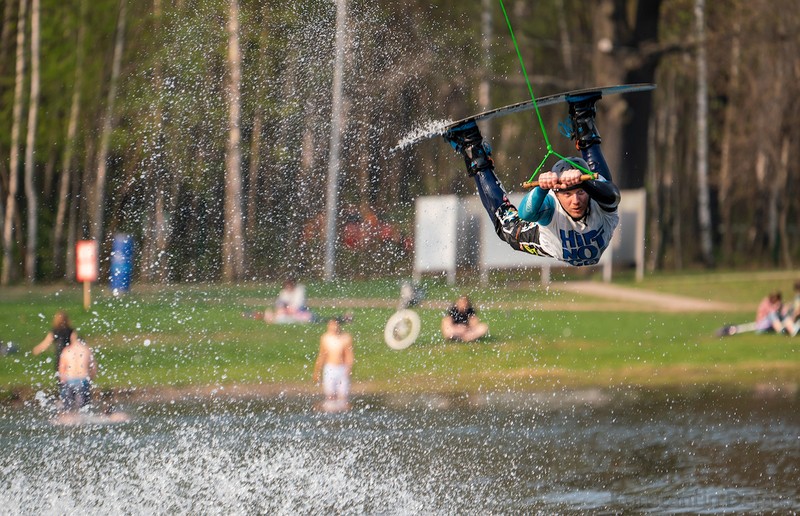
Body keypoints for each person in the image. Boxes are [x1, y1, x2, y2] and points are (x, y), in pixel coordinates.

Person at [443, 92, 620, 266]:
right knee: (512, 226)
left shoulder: (601, 201)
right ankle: (583, 114)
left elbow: (612, 195)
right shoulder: (552, 206)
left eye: (580, 193)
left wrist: (583, 182)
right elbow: (526, 214)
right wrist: (541, 189)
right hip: (550, 234)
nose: (576, 201)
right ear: (556, 194)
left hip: (553, 243)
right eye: (567, 195)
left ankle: (471, 145)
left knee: (507, 228)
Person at [312, 318, 354, 408]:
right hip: (330, 368)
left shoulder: (345, 338)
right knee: (330, 395)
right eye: (331, 325)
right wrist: (317, 371)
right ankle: (331, 415)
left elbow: (349, 355)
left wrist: (349, 369)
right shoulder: (325, 338)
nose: (333, 327)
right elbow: (322, 355)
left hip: (342, 368)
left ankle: (343, 416)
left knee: (343, 396)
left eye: (334, 325)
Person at [32, 310, 78, 384]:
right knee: (71, 377)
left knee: (60, 379)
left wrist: (37, 349)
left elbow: (46, 344)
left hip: (59, 357)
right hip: (69, 358)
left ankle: (62, 392)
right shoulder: (71, 331)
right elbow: (76, 344)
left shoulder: (55, 331)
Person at [57, 337, 97, 412]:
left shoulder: (67, 350)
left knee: (67, 408)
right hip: (83, 380)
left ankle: (68, 419)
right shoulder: (87, 350)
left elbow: (62, 368)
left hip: (69, 380)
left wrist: (62, 382)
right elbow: (93, 368)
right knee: (84, 408)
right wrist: (91, 379)